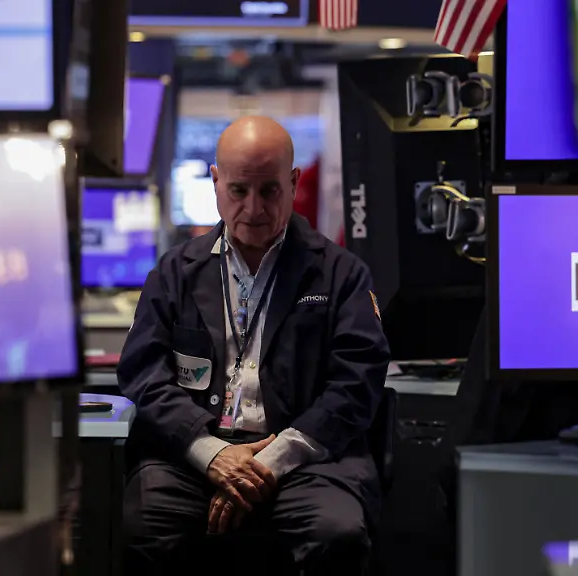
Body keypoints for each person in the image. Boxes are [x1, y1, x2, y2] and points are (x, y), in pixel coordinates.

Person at [118, 116, 391, 576]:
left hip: (306, 458)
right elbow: (143, 376)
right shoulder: (175, 273)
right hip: (194, 454)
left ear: (293, 182)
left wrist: (271, 461)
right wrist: (214, 454)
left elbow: (356, 384)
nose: (254, 208)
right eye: (239, 190)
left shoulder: (341, 274)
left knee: (337, 534)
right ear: (216, 181)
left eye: (269, 191)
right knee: (145, 523)